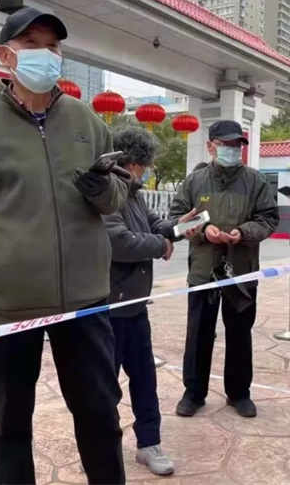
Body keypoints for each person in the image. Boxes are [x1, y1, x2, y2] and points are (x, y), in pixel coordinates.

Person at [0, 7, 131, 485]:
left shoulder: (85, 120)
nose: (46, 54)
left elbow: (120, 193)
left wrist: (103, 189)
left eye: (53, 46)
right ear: (6, 55)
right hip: (6, 304)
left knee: (100, 412)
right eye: (32, 44)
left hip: (84, 302)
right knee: (10, 421)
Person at [103, 126, 200, 477]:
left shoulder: (133, 194)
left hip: (135, 305)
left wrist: (177, 228)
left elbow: (152, 223)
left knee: (144, 378)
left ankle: (149, 443)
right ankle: (102, 446)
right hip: (108, 307)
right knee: (105, 386)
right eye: (145, 165)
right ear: (132, 164)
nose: (146, 171)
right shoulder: (106, 193)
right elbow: (118, 241)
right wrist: (161, 245)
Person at [168, 120, 279, 419]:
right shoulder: (194, 181)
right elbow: (177, 218)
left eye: (236, 145)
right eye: (226, 144)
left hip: (241, 270)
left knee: (240, 332)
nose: (232, 150)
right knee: (198, 333)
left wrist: (243, 232)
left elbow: (269, 218)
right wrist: (204, 231)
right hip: (204, 270)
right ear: (210, 146)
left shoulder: (255, 181)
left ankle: (239, 393)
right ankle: (193, 393)